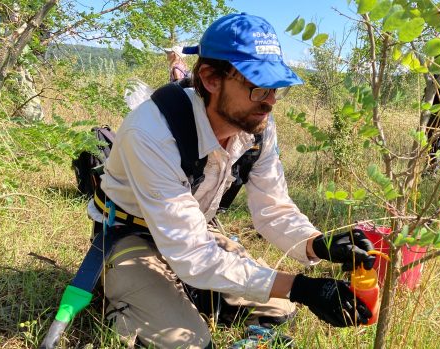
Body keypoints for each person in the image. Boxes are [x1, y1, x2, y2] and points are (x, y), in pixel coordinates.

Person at [91, 13, 376, 349]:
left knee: (279, 308)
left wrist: (318, 243)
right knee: (186, 343)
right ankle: (123, 295)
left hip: (194, 230)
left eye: (276, 89)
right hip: (131, 233)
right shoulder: (152, 132)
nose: (269, 102)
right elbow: (193, 254)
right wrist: (302, 287)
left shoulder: (255, 126)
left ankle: (193, 294)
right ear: (211, 78)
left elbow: (272, 208)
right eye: (258, 87)